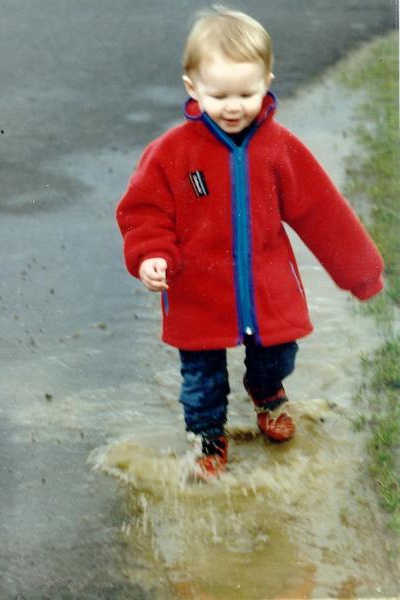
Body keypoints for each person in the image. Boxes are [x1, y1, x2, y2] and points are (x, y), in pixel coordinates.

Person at [116, 6, 384, 479]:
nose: (235, 105)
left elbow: (323, 213)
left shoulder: (279, 148)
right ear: (192, 88)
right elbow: (143, 212)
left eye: (248, 92)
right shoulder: (171, 153)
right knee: (201, 380)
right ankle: (207, 440)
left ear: (268, 82)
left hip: (267, 287)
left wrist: (361, 273)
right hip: (197, 290)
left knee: (278, 354)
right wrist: (150, 254)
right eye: (219, 94)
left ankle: (268, 394)